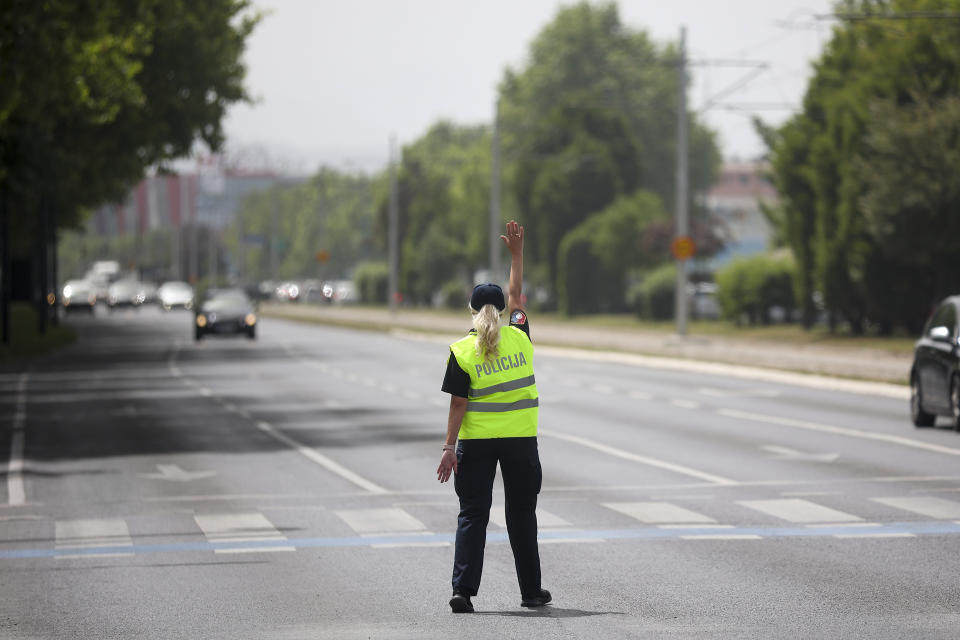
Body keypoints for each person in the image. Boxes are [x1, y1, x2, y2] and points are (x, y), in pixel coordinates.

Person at [437, 219, 551, 614]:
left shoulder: (462, 351)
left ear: (471, 311)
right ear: (503, 311)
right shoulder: (519, 335)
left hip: (477, 444)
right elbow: (517, 291)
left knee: (473, 515)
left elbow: (457, 404)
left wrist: (449, 447)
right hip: (521, 442)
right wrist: (517, 255)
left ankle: (463, 592)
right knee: (522, 515)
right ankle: (531, 592)